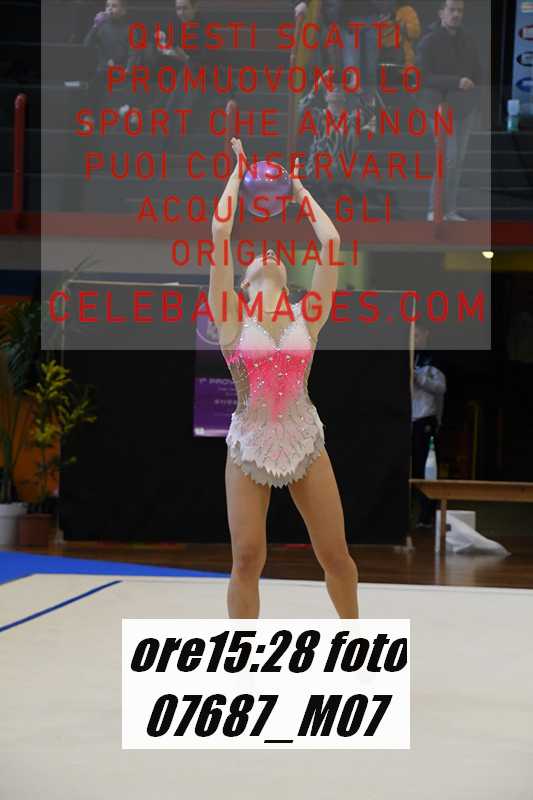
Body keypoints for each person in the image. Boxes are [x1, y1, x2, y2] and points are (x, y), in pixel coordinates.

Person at [209, 137, 359, 619]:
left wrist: (297, 190)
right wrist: (237, 174)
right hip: (250, 442)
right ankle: (241, 655)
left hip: (303, 438)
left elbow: (331, 242)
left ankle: (356, 641)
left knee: (336, 556)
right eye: (258, 256)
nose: (269, 253)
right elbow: (220, 231)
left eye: (275, 253)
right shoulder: (231, 318)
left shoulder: (306, 316)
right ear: (243, 280)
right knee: (247, 558)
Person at [416, 0, 482, 222]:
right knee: (448, 158)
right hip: (439, 107)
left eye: (460, 10)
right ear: (441, 13)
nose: (456, 14)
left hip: (464, 108)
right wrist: (456, 82)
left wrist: (474, 95)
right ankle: (434, 209)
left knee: (458, 161)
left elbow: (478, 72)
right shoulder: (429, 41)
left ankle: (450, 209)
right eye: (451, 10)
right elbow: (423, 77)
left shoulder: (468, 40)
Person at [411, 323, 447, 527]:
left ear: (426, 334)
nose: (413, 339)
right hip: (408, 420)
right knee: (410, 468)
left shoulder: (434, 359)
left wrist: (419, 378)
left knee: (427, 468)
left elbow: (441, 388)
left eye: (417, 335)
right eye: (411, 335)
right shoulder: (408, 356)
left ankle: (427, 516)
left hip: (426, 418)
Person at [83, 0, 141, 121]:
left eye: (114, 6)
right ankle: (89, 117)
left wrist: (128, 69)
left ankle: (133, 112)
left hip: (123, 69)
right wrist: (95, 25)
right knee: (95, 84)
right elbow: (86, 45)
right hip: (104, 69)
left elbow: (134, 52)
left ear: (123, 10)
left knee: (136, 82)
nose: (109, 9)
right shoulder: (101, 27)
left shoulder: (130, 29)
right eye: (107, 6)